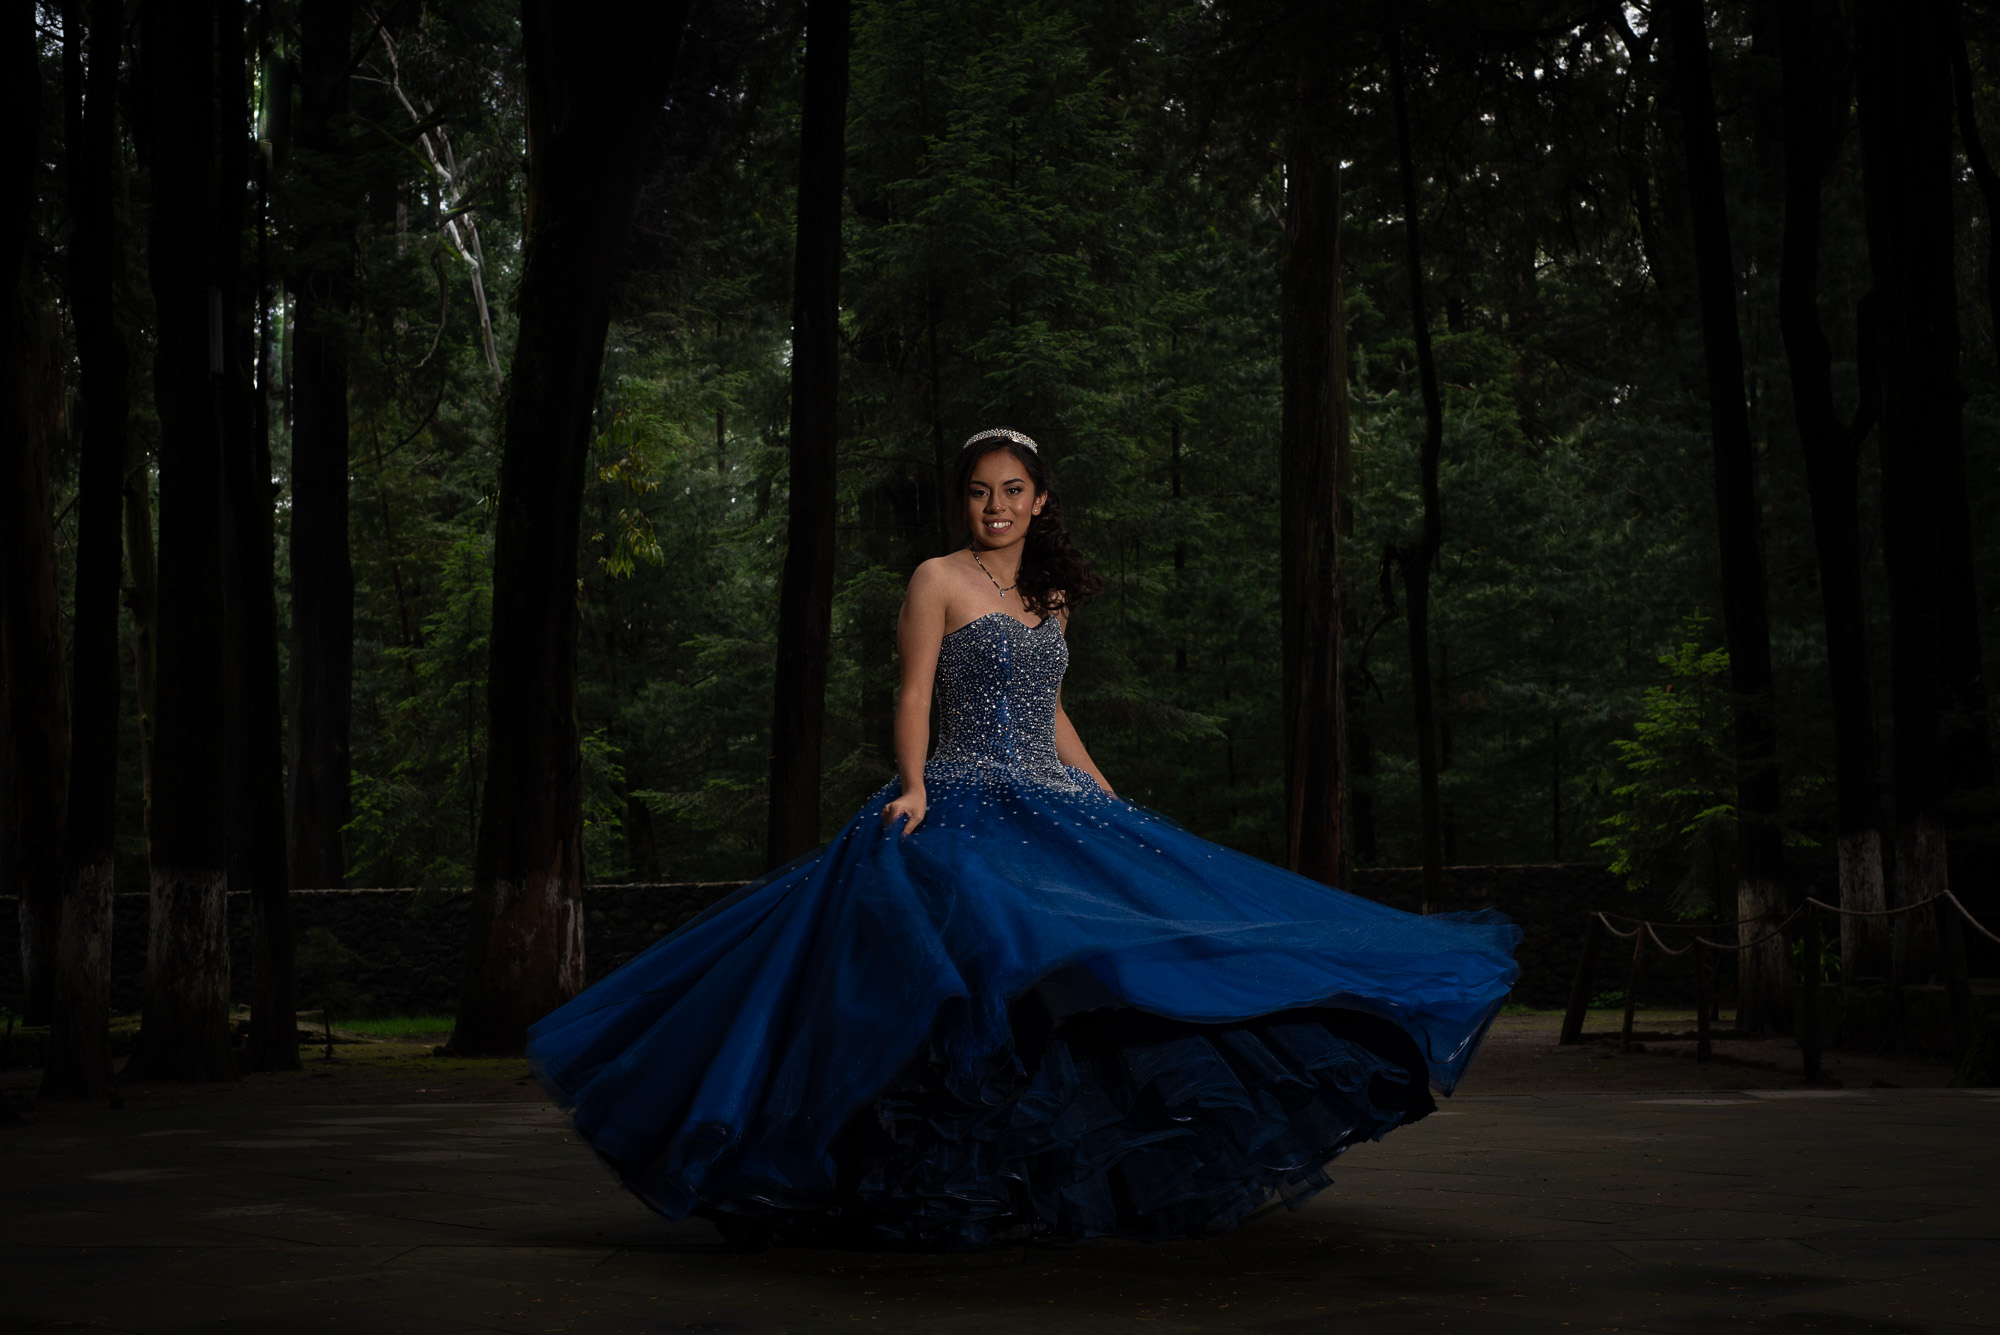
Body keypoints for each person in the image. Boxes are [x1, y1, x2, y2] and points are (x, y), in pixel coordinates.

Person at [527, 427, 1521, 1250]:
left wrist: (1109, 802)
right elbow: (912, 691)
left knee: (1127, 949)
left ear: (1040, 499)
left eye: (1010, 491)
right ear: (963, 502)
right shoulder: (937, 580)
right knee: (977, 964)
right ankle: (884, 1174)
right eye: (977, 492)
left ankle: (1030, 1179)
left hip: (1050, 798)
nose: (993, 507)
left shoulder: (1045, 598)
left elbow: (1052, 714)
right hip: (958, 793)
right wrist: (913, 786)